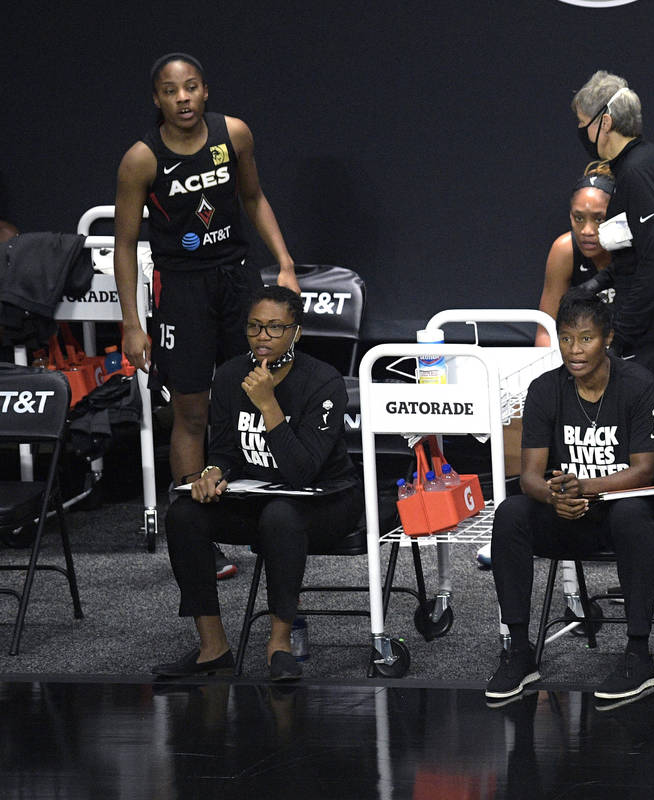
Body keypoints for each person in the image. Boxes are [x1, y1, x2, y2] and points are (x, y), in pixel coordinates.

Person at [113, 53, 300, 579]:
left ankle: (272, 521)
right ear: (158, 100)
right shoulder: (141, 160)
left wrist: (283, 262)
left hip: (239, 279)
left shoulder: (233, 134)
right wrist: (132, 322)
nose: (183, 98)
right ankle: (199, 536)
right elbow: (125, 244)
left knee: (263, 393)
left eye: (191, 87)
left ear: (205, 91)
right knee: (192, 411)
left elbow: (254, 197)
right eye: (171, 91)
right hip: (183, 291)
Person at [151, 285, 362, 681]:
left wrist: (268, 404)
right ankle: (212, 647)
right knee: (184, 514)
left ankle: (279, 644)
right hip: (257, 498)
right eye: (254, 327)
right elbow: (228, 451)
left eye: (275, 328)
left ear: (296, 333)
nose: (263, 337)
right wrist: (214, 472)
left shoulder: (323, 382)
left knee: (282, 516)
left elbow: (303, 472)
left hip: (325, 502)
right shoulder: (231, 375)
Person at [486, 291, 654, 707]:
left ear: (607, 338)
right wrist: (555, 498)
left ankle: (638, 655)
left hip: (625, 512)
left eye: (586, 338)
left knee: (630, 514)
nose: (575, 350)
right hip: (570, 513)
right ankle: (519, 651)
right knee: (511, 513)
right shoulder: (544, 390)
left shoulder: (638, 385)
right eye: (566, 338)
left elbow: (644, 469)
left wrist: (583, 487)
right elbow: (530, 475)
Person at [571, 70, 654, 386]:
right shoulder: (644, 162)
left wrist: (620, 337)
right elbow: (637, 254)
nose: (580, 131)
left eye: (583, 123)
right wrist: (594, 284)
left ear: (605, 123)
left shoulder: (637, 173)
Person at [534, 165, 616, 348]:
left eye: (599, 219)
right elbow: (546, 331)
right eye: (579, 218)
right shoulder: (564, 251)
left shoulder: (635, 250)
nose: (587, 231)